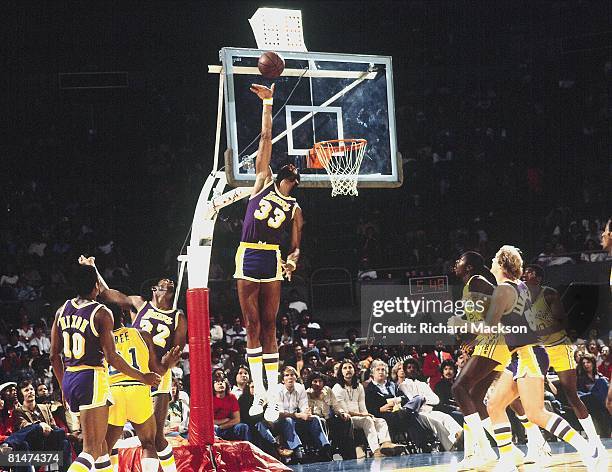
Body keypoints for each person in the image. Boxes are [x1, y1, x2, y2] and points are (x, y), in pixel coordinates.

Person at [483, 245, 604, 472]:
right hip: (523, 354)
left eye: (494, 258)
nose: (490, 261)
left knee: (536, 413)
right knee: (494, 405)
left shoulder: (503, 290)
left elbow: (490, 326)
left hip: (528, 354)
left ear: (501, 264)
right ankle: (508, 460)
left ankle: (587, 448)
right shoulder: (519, 286)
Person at [234, 83, 304, 423]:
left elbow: (296, 245)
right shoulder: (261, 182)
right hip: (248, 255)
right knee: (252, 324)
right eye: (288, 173)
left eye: (294, 177)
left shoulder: (295, 207)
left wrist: (292, 259)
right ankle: (259, 392)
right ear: (280, 173)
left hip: (272, 260)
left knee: (271, 326)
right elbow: (265, 140)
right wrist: (268, 103)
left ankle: (274, 395)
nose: (289, 177)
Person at [79, 255, 186, 472]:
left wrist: (169, 365)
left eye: (171, 283)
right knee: (122, 439)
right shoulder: (139, 304)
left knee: (156, 438)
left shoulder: (178, 316)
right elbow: (109, 296)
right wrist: (94, 269)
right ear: (154, 289)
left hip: (158, 372)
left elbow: (176, 351)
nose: (169, 282)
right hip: (134, 370)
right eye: (164, 282)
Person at [50, 264, 160, 472]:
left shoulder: (61, 310)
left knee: (102, 447)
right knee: (91, 450)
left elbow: (53, 356)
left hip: (70, 378)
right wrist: (143, 377)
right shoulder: (101, 313)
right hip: (92, 378)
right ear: (96, 287)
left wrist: (64, 386)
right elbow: (112, 357)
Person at [449, 251, 542, 468]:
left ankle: (484, 451)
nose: (456, 263)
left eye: (459, 260)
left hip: (496, 341)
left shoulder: (478, 282)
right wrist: (472, 336)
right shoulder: (470, 286)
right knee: (474, 397)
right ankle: (512, 450)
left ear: (469, 267)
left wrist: (468, 329)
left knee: (458, 389)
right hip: (490, 341)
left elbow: (500, 313)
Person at [523, 264, 607, 451]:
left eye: (528, 272)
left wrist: (539, 331)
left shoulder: (549, 294)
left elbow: (563, 323)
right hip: (539, 351)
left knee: (571, 395)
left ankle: (594, 440)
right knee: (527, 397)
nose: (523, 275)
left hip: (559, 347)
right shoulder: (522, 299)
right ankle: (536, 443)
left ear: (537, 277)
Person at [104, 307, 181, 472]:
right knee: (148, 443)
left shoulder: (100, 340)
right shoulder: (142, 335)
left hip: (113, 392)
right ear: (124, 315)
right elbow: (157, 370)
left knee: (105, 448)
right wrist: (167, 362)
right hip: (138, 391)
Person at [331, 360, 400, 458]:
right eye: (345, 368)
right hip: (346, 419)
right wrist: (364, 415)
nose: (348, 370)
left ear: (354, 370)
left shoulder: (359, 386)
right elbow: (344, 411)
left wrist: (367, 415)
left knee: (380, 421)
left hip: (361, 417)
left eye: (350, 367)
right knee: (367, 420)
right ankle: (376, 450)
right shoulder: (337, 388)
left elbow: (363, 407)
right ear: (341, 372)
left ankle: (386, 444)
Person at [364, 359, 436, 451]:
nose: (381, 372)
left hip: (398, 411)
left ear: (386, 373)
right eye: (378, 370)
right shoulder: (369, 389)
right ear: (372, 373)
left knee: (410, 410)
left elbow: (404, 398)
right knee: (410, 415)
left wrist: (398, 400)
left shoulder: (392, 385)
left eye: (383, 370)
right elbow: (369, 409)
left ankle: (423, 445)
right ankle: (424, 445)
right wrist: (381, 409)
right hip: (384, 415)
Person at [399, 358, 463, 451]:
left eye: (414, 367)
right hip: (417, 414)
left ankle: (459, 434)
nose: (412, 369)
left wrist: (423, 399)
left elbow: (436, 400)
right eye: (409, 367)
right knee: (436, 422)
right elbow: (413, 400)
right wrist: (424, 398)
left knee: (446, 417)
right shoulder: (403, 385)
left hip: (429, 410)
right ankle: (451, 447)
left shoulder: (423, 384)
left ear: (417, 370)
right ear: (405, 370)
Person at [272, 366, 331, 462]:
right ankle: (298, 449)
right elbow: (280, 413)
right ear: (283, 380)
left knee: (315, 418)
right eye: (287, 375)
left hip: (295, 419)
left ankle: (324, 447)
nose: (290, 377)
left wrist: (307, 413)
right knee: (288, 420)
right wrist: (300, 415)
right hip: (279, 421)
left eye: (292, 375)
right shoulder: (278, 390)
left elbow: (304, 407)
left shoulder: (300, 388)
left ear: (296, 377)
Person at [14, 380, 71, 471]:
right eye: (26, 390)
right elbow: (24, 426)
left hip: (48, 442)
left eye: (32, 389)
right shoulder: (18, 412)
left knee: (64, 442)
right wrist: (40, 425)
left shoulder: (44, 408)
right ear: (21, 395)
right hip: (33, 445)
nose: (30, 392)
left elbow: (53, 426)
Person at [238, 381, 293, 460]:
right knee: (260, 424)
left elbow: (274, 412)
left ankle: (295, 450)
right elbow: (247, 418)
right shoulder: (243, 399)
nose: (255, 390)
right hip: (253, 425)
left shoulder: (267, 398)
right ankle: (276, 446)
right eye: (252, 387)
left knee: (287, 421)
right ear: (248, 388)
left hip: (268, 423)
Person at [306, 371, 355, 459]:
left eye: (320, 381)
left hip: (329, 419)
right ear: (310, 383)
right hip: (316, 423)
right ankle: (326, 452)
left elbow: (336, 406)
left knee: (347, 420)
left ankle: (348, 454)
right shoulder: (307, 394)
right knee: (322, 421)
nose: (318, 384)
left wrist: (342, 412)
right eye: (315, 381)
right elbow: (309, 413)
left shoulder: (328, 390)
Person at [212, 370, 251, 441]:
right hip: (212, 429)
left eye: (222, 381)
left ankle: (244, 450)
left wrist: (221, 427)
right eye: (217, 381)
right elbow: (209, 421)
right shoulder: (208, 399)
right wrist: (225, 420)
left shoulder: (232, 397)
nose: (220, 383)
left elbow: (237, 419)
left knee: (242, 427)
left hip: (227, 428)